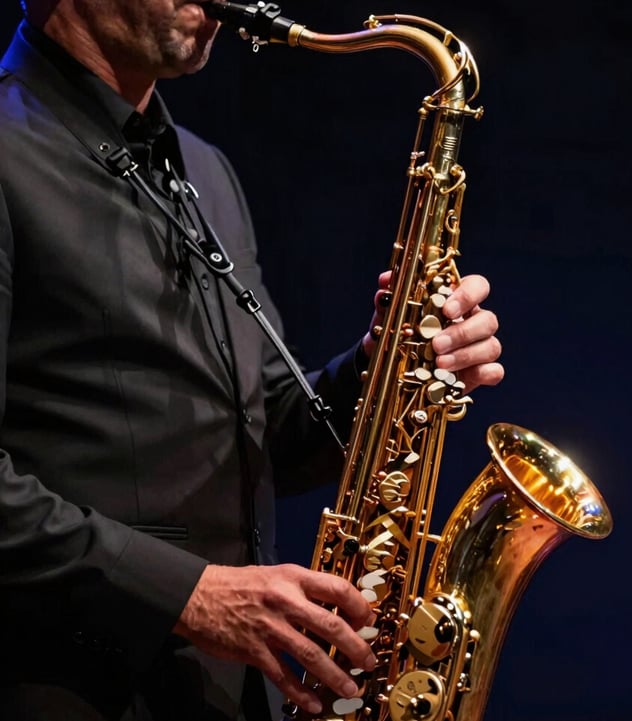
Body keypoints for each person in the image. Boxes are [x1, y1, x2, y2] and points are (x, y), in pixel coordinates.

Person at [0, 1, 504, 720]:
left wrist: (394, 364)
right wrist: (189, 596)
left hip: (226, 694)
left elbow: (262, 428)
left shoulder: (206, 169)